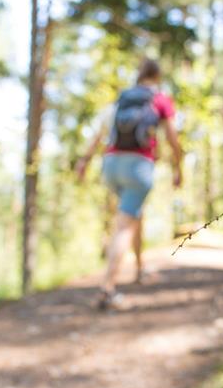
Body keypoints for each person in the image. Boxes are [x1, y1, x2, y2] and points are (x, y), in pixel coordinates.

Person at [76, 59, 183, 309]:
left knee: (134, 214)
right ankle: (108, 289)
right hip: (138, 166)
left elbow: (100, 133)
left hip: (111, 165)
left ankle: (139, 268)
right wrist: (179, 167)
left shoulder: (122, 99)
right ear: (158, 77)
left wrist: (84, 160)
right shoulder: (160, 99)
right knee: (125, 224)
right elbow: (172, 137)